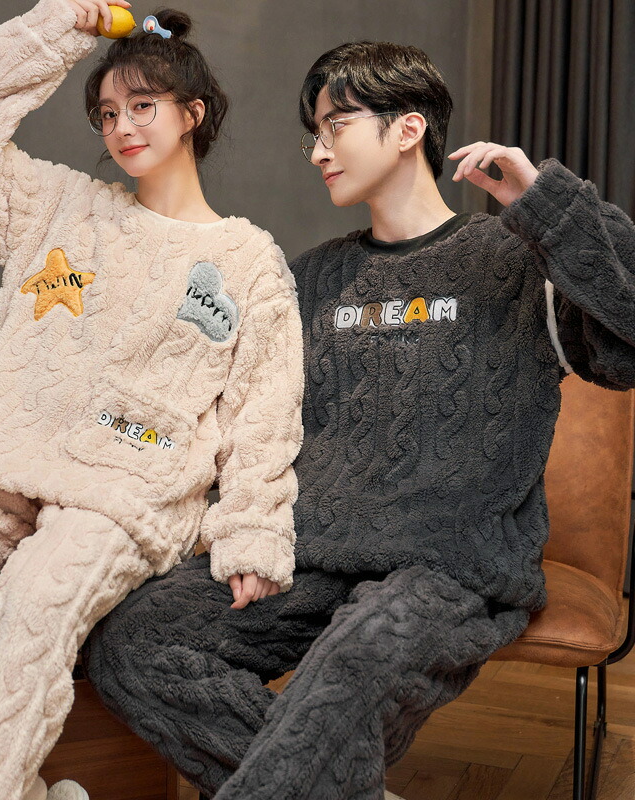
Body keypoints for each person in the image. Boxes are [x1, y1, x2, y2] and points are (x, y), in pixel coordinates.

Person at [81, 38, 635, 800]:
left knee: (352, 666)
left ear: (407, 129)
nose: (318, 151)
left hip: (448, 569)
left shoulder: (516, 259)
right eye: (313, 133)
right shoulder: (310, 278)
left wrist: (549, 207)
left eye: (335, 126)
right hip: (312, 559)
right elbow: (247, 422)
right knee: (132, 639)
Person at [0, 1, 303, 799]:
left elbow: (265, 406)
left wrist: (252, 532)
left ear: (193, 113)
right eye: (108, 113)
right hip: (4, 451)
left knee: (34, 597)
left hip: (131, 485)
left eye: (143, 106)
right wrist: (62, 27)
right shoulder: (53, 207)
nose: (122, 127)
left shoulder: (246, 258)